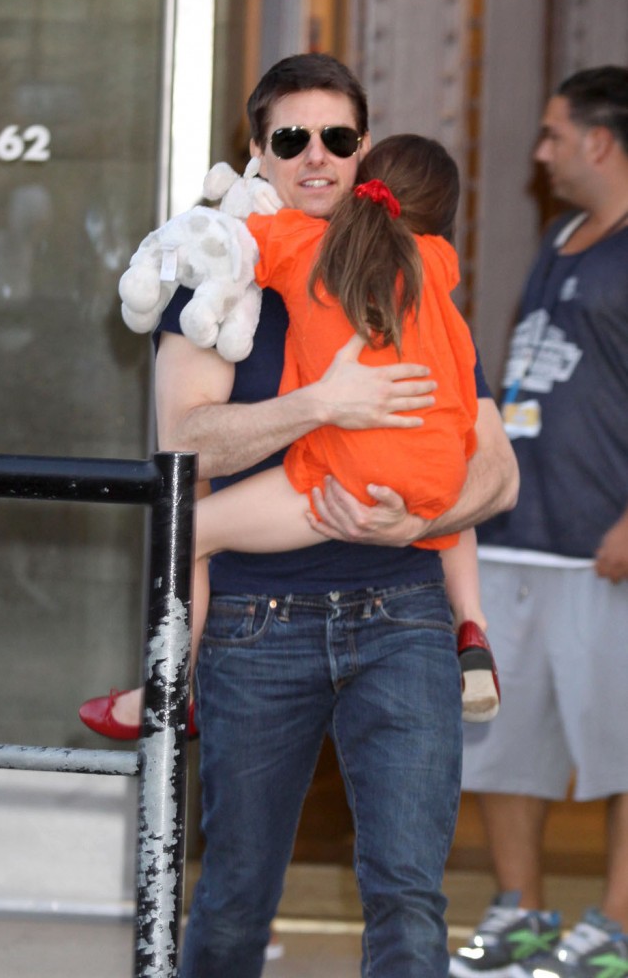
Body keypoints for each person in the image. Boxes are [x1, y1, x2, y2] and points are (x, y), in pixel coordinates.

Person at [97, 53, 519, 977]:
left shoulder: (408, 274)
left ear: (363, 150)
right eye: (292, 138)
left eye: (337, 137)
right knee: (238, 891)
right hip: (257, 628)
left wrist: (418, 520)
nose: (315, 156)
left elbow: (498, 472)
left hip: (403, 612)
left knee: (409, 895)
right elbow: (185, 454)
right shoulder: (220, 276)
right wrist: (321, 404)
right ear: (259, 149)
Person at [80, 134, 501, 734]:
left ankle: (170, 686)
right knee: (437, 467)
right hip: (438, 481)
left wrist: (232, 204)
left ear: (362, 186)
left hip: (346, 479)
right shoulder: (439, 270)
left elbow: (239, 242)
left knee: (185, 532)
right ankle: (473, 623)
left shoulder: (317, 249)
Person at [449, 65, 628, 978]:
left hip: (604, 548)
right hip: (520, 535)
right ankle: (521, 912)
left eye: (555, 134)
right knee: (502, 739)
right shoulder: (561, 236)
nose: (541, 151)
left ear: (601, 141)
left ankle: (617, 929)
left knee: (621, 744)